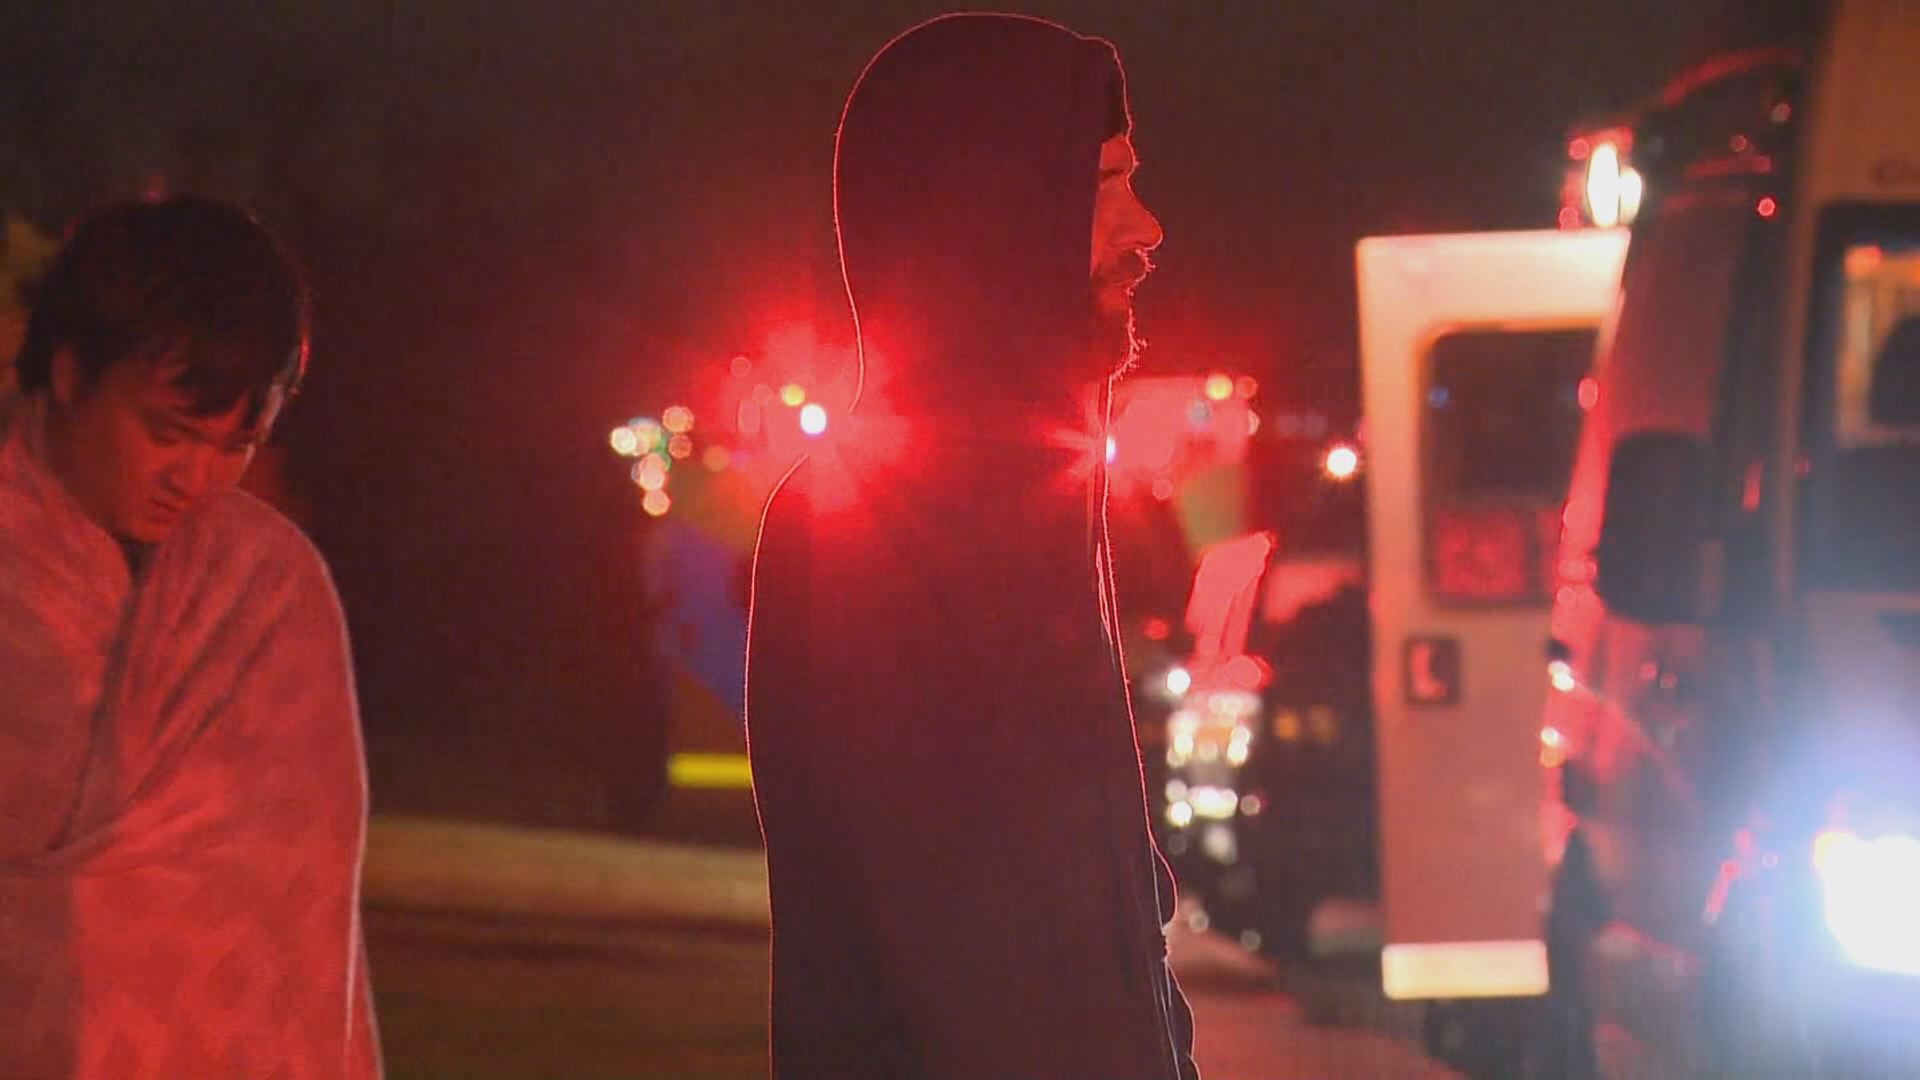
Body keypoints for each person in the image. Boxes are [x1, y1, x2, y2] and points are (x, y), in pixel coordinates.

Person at [745, 14, 1196, 1079]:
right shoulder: (873, 533)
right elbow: (983, 976)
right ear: (991, 213)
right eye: (1106, 183)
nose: (1148, 229)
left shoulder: (1015, 507)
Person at [0, 195, 380, 1078]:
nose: (195, 478)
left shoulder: (271, 591)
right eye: (166, 433)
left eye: (234, 446)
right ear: (69, 373)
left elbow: (296, 910)